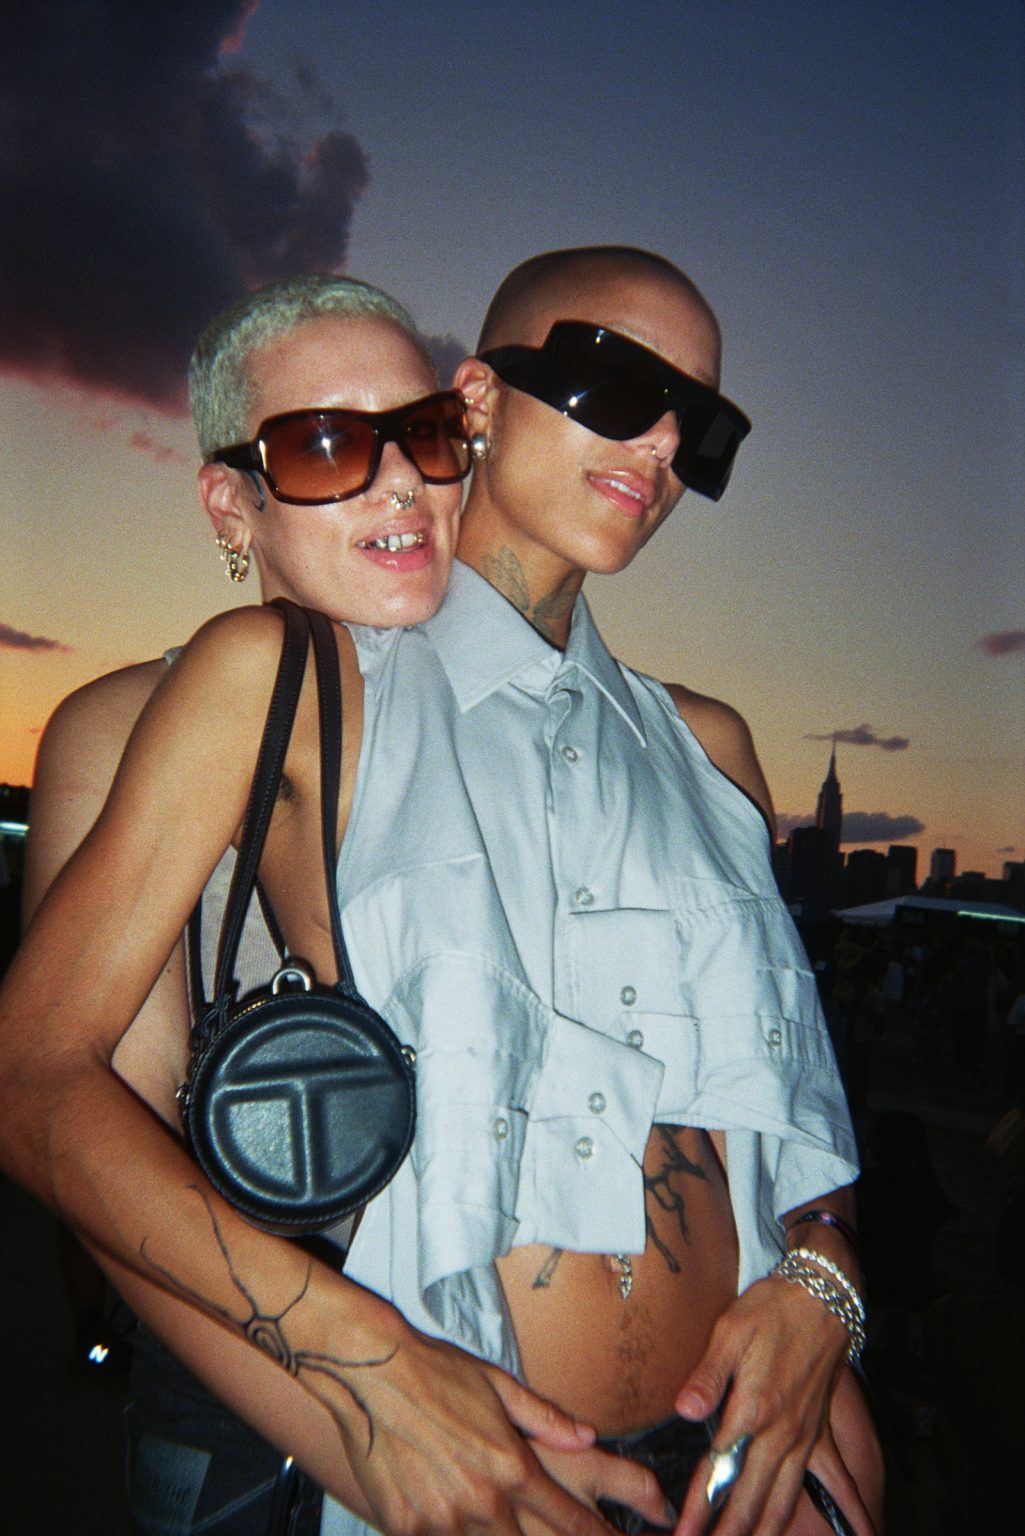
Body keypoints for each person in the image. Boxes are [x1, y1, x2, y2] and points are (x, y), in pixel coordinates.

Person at [1, 248, 882, 1536]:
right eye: (613, 382)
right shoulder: (255, 696)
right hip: (445, 1441)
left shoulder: (706, 747)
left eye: (702, 426)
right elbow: (84, 1132)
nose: (662, 440)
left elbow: (782, 1100)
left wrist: (824, 1288)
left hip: (732, 1458)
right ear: (485, 401)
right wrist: (373, 1405)